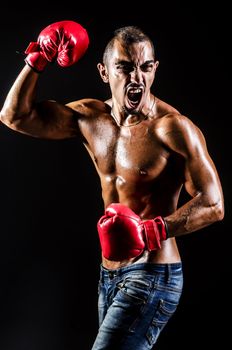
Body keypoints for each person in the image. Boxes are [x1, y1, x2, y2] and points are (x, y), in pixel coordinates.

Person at [0, 20, 224, 350]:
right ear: (104, 72)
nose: (137, 80)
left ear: (155, 69)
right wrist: (38, 59)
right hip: (109, 275)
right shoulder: (91, 118)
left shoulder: (173, 129)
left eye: (146, 68)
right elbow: (14, 116)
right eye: (125, 68)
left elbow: (214, 204)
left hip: (152, 276)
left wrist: (152, 231)